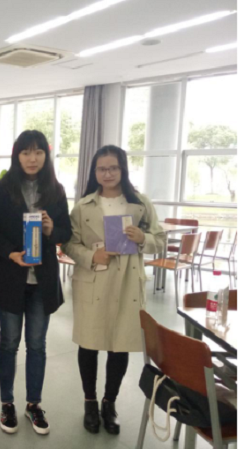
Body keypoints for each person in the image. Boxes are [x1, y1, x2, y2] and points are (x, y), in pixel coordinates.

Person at [62, 145, 164, 435]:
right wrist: (91, 256)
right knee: (89, 343)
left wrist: (143, 238)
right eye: (101, 169)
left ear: (122, 169)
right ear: (94, 172)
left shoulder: (140, 203)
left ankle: (110, 402)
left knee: (120, 344)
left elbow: (160, 240)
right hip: (94, 279)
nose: (107, 174)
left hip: (128, 281)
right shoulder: (83, 206)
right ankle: (90, 402)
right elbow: (70, 243)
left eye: (113, 168)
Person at [0, 130, 72, 436]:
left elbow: (66, 232)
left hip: (41, 282)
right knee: (9, 342)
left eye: (38, 152)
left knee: (37, 344)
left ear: (46, 155)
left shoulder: (56, 190)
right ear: (17, 155)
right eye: (25, 152)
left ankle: (34, 404)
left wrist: (51, 230)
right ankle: (7, 403)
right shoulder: (3, 189)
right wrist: (11, 253)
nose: (32, 158)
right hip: (11, 278)